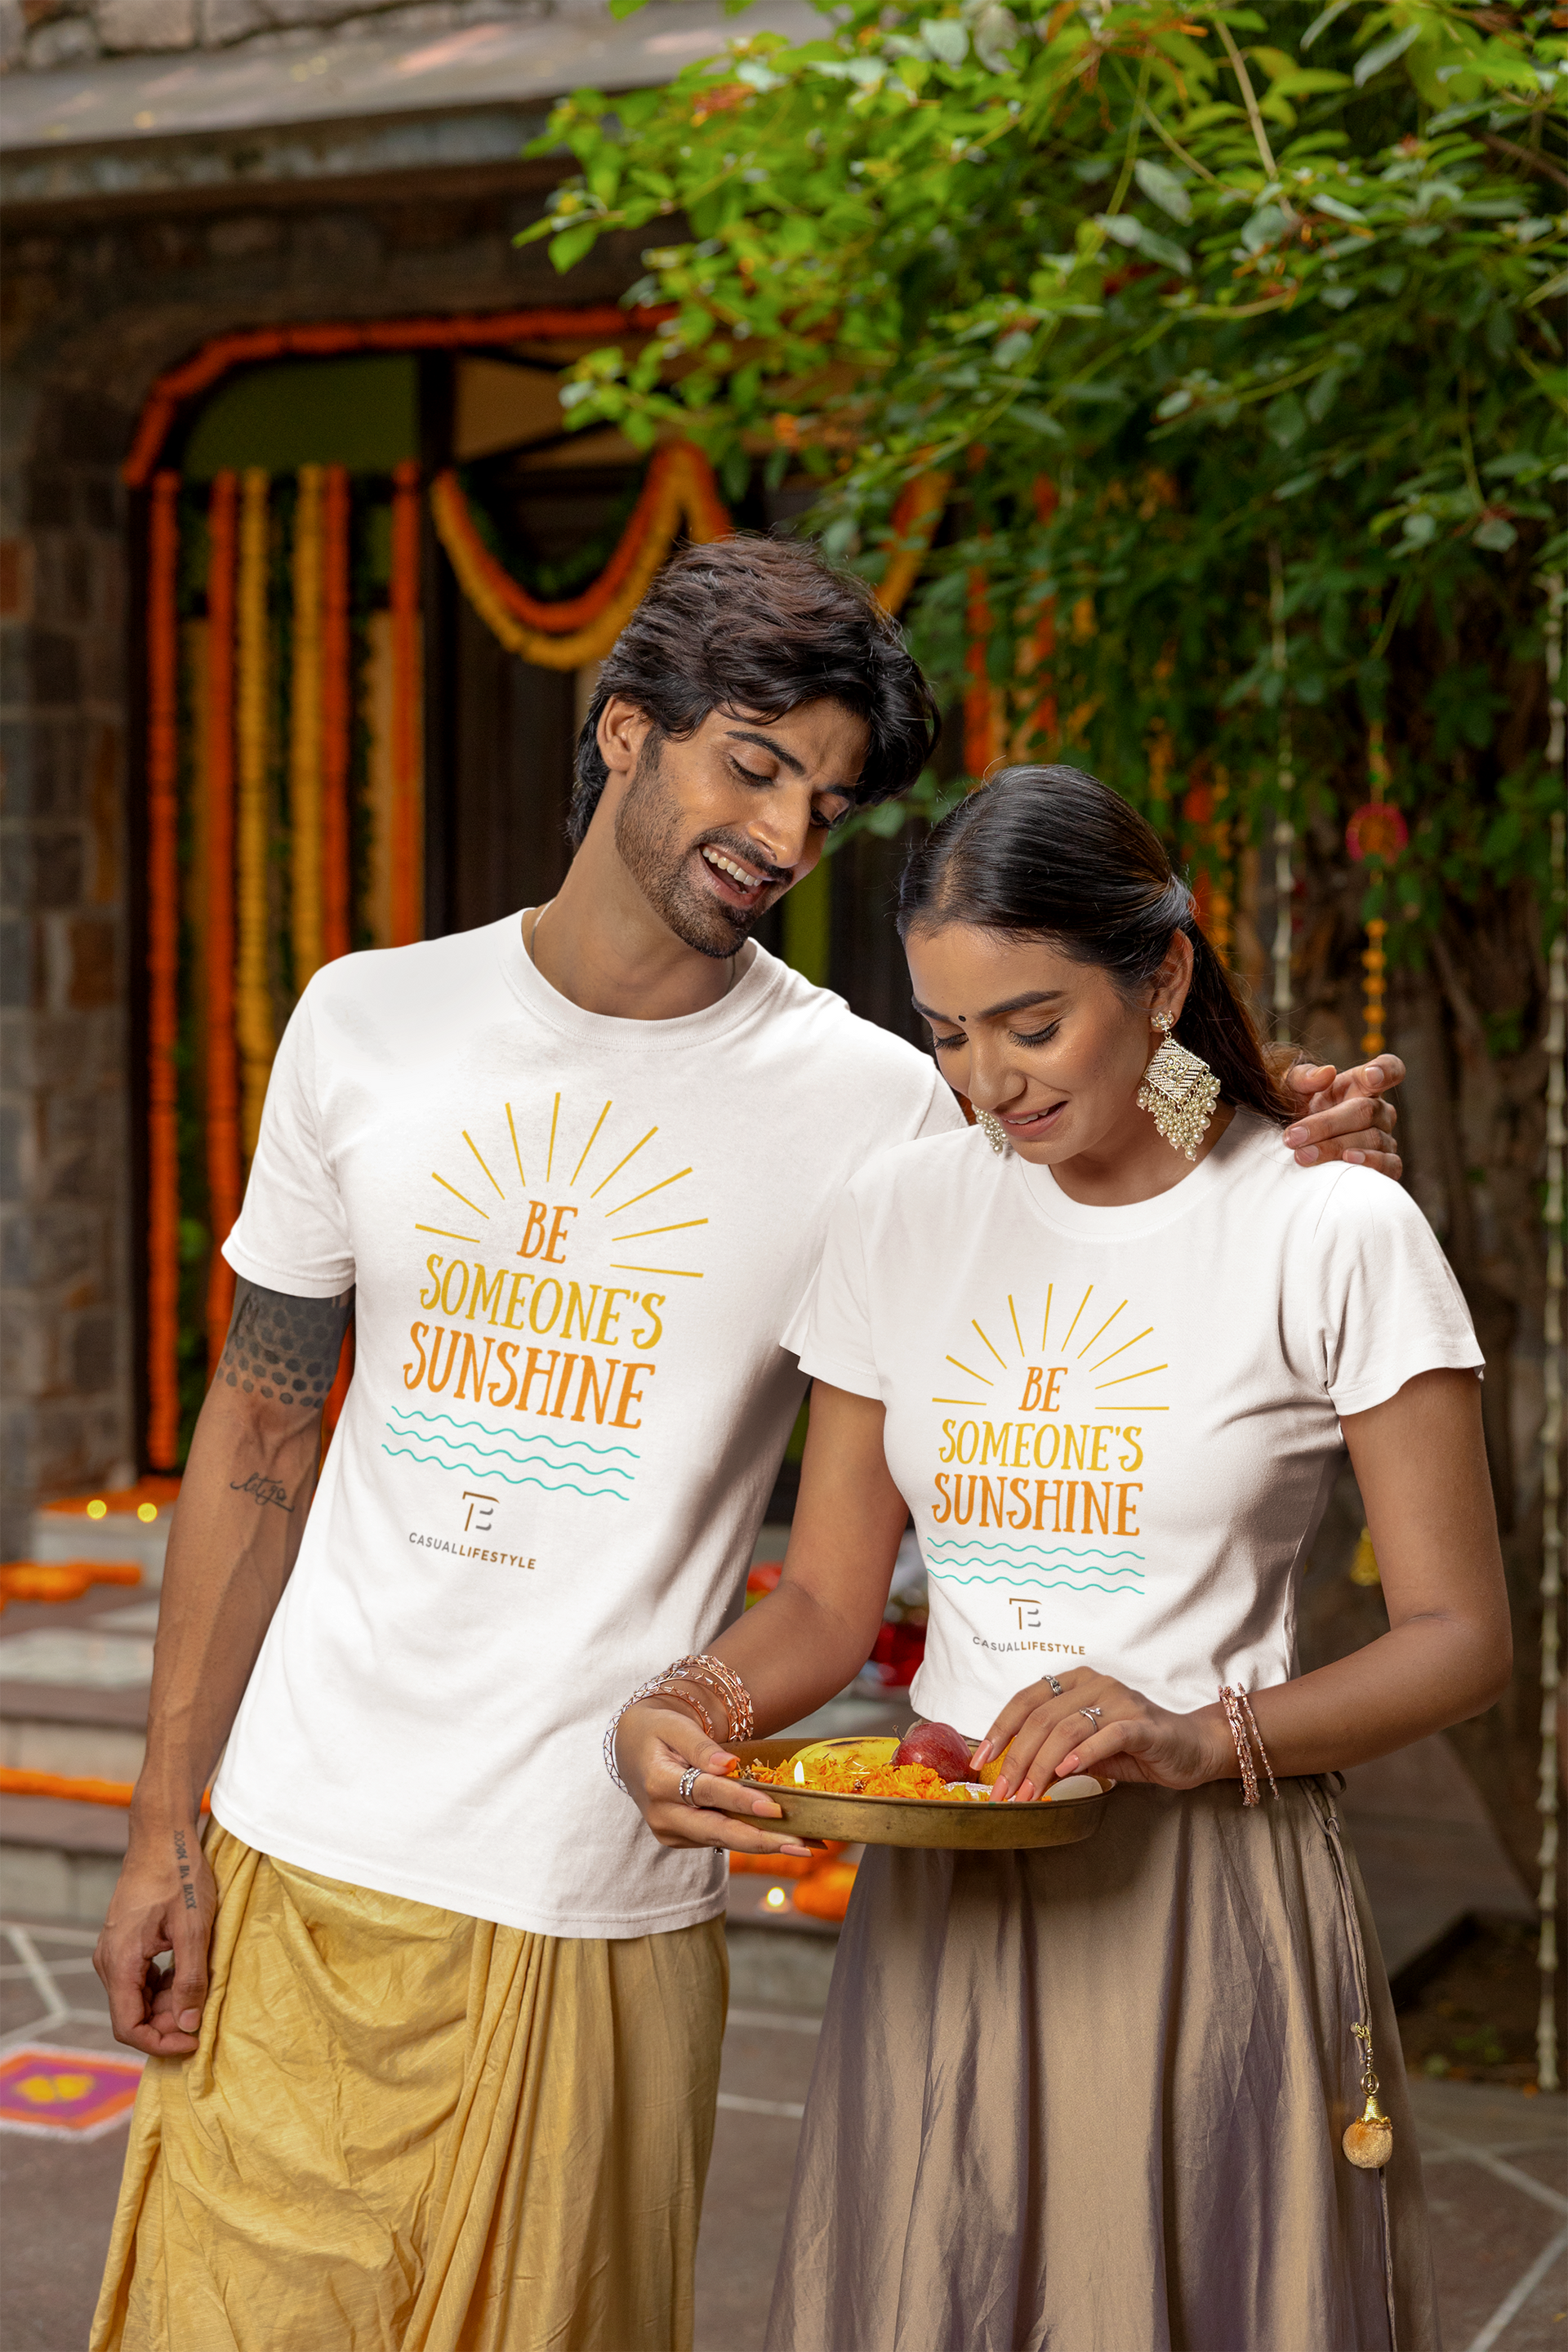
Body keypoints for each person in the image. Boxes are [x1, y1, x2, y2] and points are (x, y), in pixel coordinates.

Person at [91, 537, 1402, 2352]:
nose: (788, 839)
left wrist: (1291, 1127)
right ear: (626, 732)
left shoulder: (875, 1100)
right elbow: (258, 1428)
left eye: (831, 800)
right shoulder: (363, 1023)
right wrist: (166, 1823)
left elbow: (1116, 1119)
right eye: (753, 764)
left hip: (595, 1894)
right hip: (295, 1855)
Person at [611, 764, 1508, 2352]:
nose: (990, 1085)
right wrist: (684, 1703)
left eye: (1032, 1026)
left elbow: (1458, 1634)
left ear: (1160, 974)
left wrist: (1191, 1730)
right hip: (948, 1904)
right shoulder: (901, 1213)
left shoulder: (1327, 1228)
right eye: (949, 1037)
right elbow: (824, 1598)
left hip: (1208, 1907)